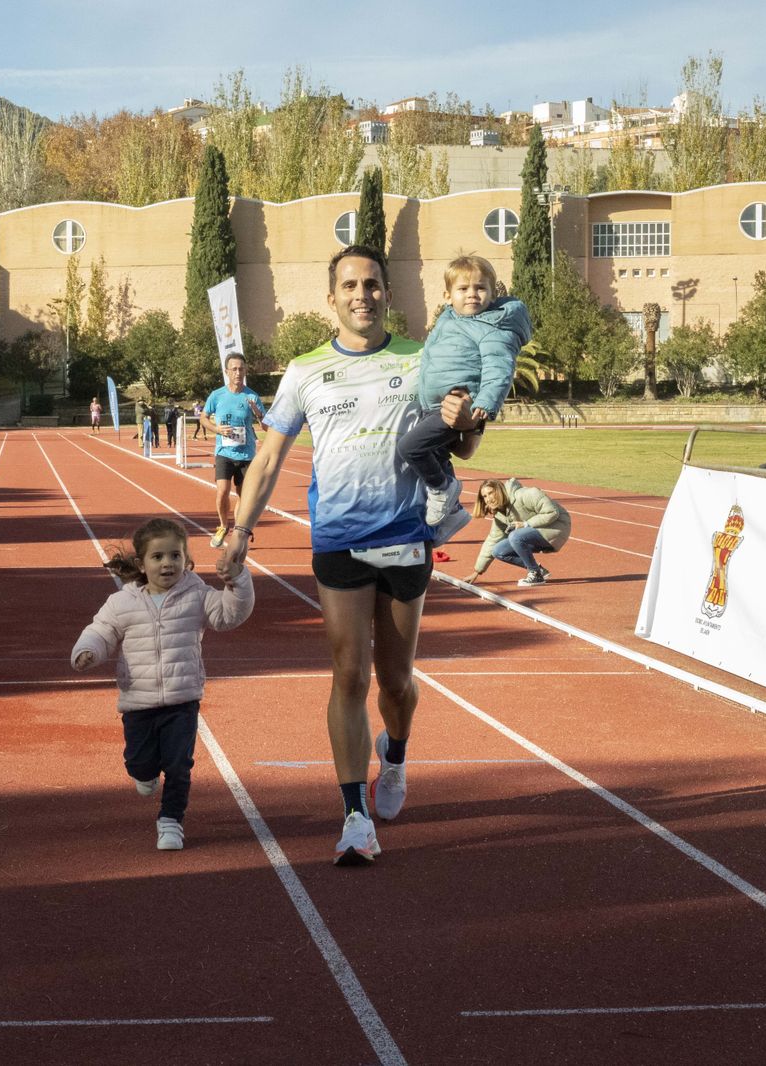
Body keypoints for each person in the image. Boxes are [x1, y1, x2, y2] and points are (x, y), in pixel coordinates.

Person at [218, 245, 478, 866]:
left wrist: (467, 419)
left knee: (396, 682)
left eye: (372, 284)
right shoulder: (306, 370)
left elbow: (464, 446)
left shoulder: (422, 358)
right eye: (350, 286)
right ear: (331, 298)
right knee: (349, 676)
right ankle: (355, 816)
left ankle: (396, 754)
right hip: (339, 539)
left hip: (407, 536)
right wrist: (240, 531)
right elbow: (268, 458)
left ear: (388, 293)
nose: (362, 295)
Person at [73, 518, 255, 850]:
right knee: (139, 763)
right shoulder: (123, 602)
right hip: (138, 702)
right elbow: (101, 630)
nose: (167, 563)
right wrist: (88, 650)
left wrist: (238, 580)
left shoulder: (197, 595)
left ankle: (171, 821)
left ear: (186, 560)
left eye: (175, 555)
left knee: (178, 765)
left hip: (182, 700)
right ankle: (144, 774)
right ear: (142, 564)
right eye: (157, 557)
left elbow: (230, 614)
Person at [397, 254, 530, 540]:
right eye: (463, 288)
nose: (472, 294)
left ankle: (442, 488)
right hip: (431, 405)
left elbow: (499, 369)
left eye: (480, 288)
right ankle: (454, 511)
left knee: (409, 447)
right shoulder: (448, 318)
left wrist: (485, 403)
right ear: (448, 296)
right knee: (436, 454)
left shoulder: (493, 328)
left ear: (492, 294)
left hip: (454, 407)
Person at [201, 352, 266, 549]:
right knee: (222, 492)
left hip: (246, 454)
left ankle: (238, 531)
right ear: (227, 372)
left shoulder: (252, 396)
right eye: (234, 369)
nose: (238, 373)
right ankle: (223, 526)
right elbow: (203, 418)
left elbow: (266, 426)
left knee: (244, 496)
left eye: (241, 369)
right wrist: (216, 429)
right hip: (224, 452)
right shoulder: (217, 395)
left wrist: (257, 413)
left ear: (245, 371)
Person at [465, 477, 571, 587]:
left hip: (557, 527)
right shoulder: (500, 514)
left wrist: (526, 524)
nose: (488, 499)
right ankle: (538, 570)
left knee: (515, 536)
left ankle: (535, 574)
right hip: (535, 532)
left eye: (491, 493)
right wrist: (477, 572)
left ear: (499, 490)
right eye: (484, 496)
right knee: (498, 550)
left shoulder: (524, 494)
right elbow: (492, 541)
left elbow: (552, 512)